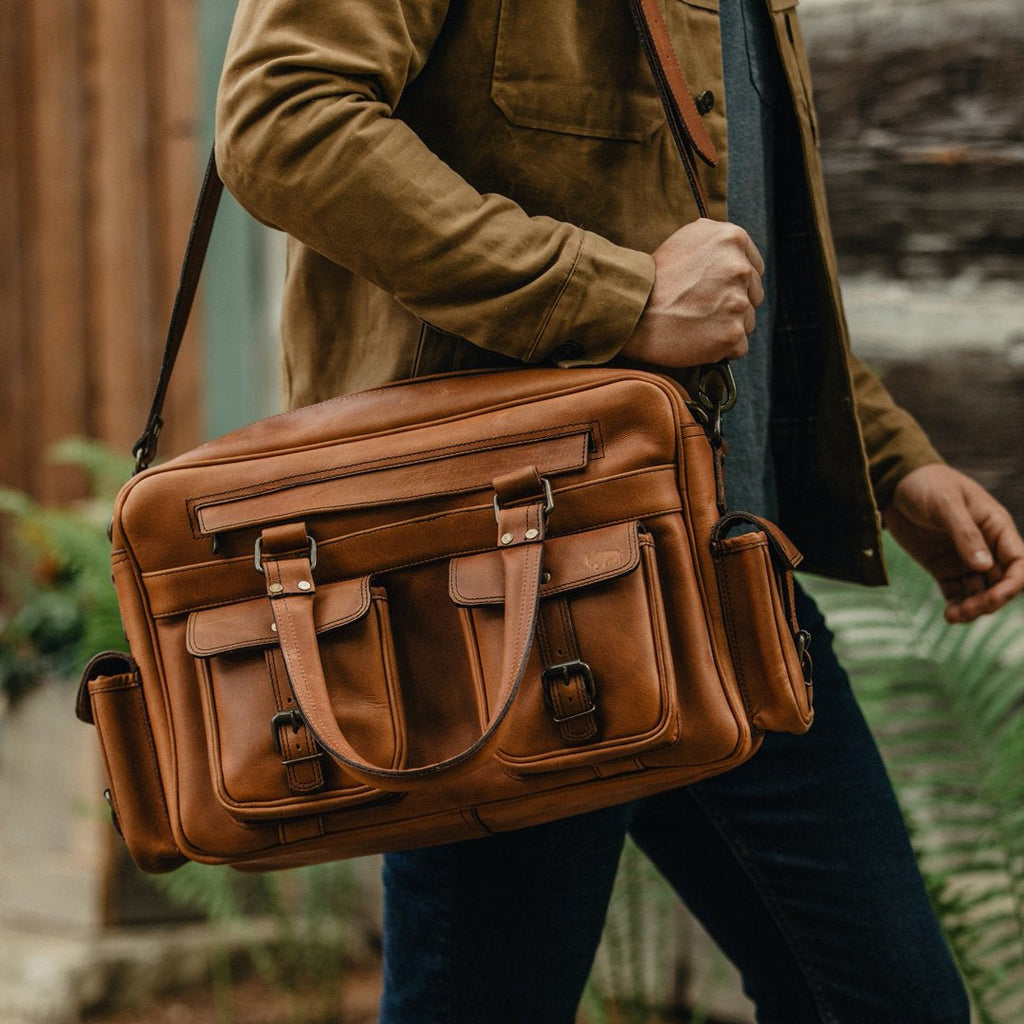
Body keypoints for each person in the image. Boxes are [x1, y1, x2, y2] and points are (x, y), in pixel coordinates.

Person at [215, 2, 1024, 1020]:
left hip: (724, 570)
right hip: (505, 587)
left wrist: (888, 456)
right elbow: (281, 118)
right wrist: (615, 295)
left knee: (885, 1003)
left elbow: (728, 235)